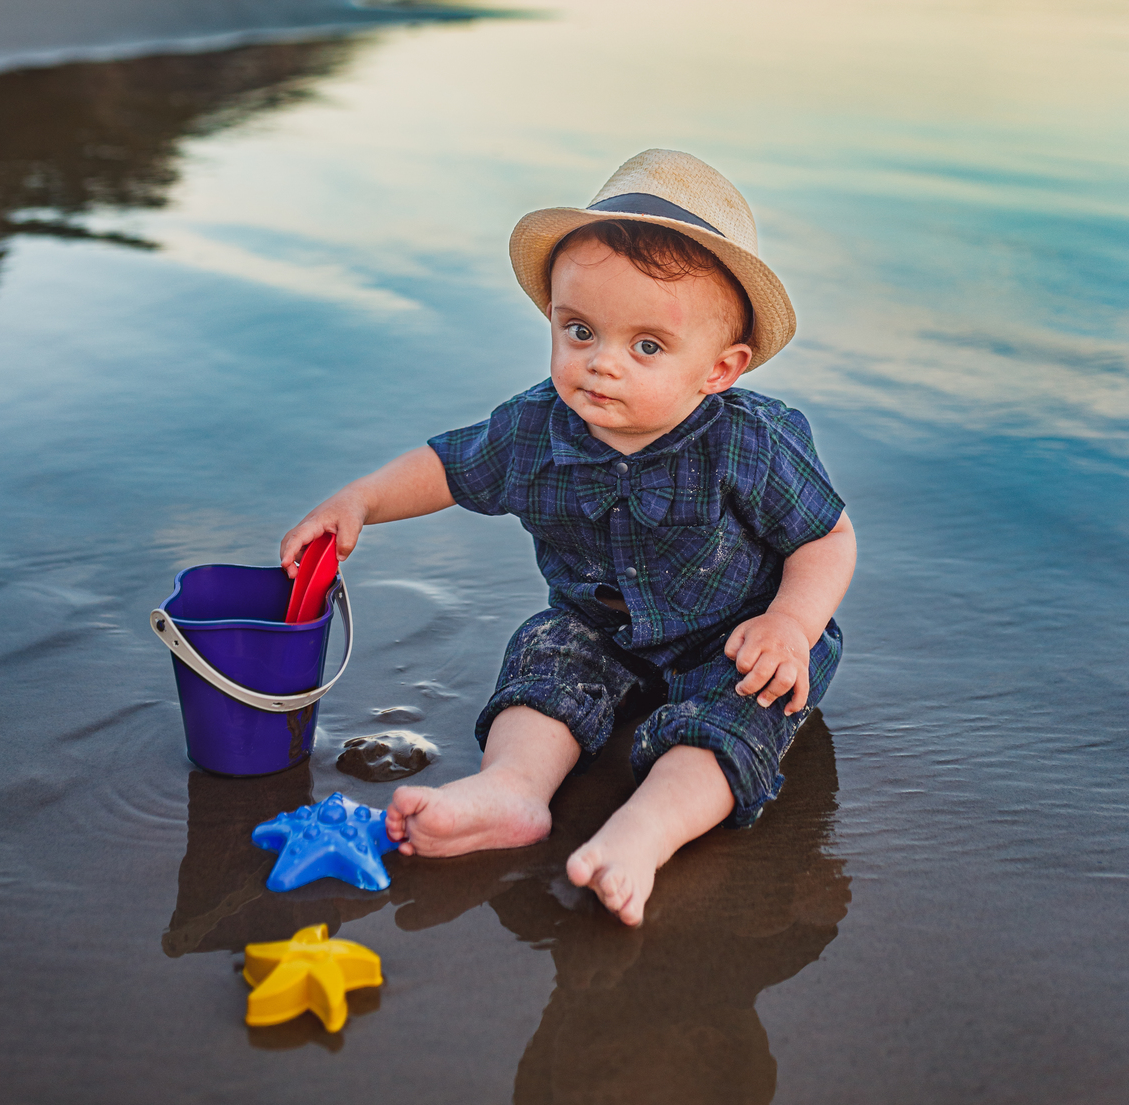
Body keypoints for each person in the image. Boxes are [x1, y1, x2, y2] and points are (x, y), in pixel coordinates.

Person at [281, 149, 856, 927]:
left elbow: (827, 538)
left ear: (719, 369)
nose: (601, 366)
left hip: (740, 641)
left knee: (734, 722)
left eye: (646, 346)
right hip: (601, 630)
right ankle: (512, 790)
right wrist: (359, 501)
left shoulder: (749, 446)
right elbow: (449, 467)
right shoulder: (534, 428)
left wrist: (792, 624)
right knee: (546, 663)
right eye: (579, 330)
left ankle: (646, 830)